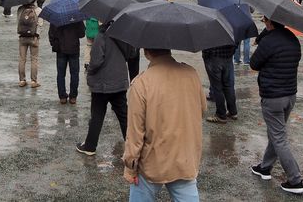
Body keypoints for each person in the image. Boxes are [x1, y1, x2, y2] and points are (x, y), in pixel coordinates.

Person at [123, 48, 206, 201]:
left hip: (151, 162)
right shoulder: (191, 74)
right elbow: (201, 109)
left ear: (146, 51)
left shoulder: (141, 83)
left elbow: (135, 133)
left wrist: (130, 167)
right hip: (184, 159)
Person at [249, 16, 303, 195]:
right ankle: (264, 167)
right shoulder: (292, 39)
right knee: (276, 133)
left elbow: (254, 64)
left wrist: (263, 41)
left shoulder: (269, 41)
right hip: (290, 95)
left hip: (273, 96)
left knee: (279, 137)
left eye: (265, 19)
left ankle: (295, 180)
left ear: (269, 22)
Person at [76, 22, 136, 156]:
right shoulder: (124, 35)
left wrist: (90, 72)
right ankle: (132, 146)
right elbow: (131, 54)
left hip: (101, 83)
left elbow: (96, 61)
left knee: (97, 114)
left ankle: (90, 146)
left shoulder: (101, 36)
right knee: (124, 116)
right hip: (119, 81)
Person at [49, 20, 85, 104]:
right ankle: (73, 97)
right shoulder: (76, 17)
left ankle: (62, 97)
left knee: (61, 74)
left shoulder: (56, 17)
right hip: (74, 48)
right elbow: (82, 34)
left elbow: (51, 33)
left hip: (61, 48)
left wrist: (54, 43)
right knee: (75, 74)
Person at [202, 40, 238, 123]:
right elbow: (236, 41)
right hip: (228, 57)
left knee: (217, 87)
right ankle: (233, 112)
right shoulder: (230, 27)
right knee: (229, 86)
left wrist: (206, 54)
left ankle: (221, 115)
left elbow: (204, 44)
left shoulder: (208, 28)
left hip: (213, 58)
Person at [17, 1, 42, 88]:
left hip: (22, 37)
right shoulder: (38, 10)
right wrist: (37, 35)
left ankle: (22, 80)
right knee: (34, 59)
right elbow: (40, 25)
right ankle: (33, 81)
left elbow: (18, 23)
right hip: (33, 38)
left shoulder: (20, 9)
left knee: (22, 59)